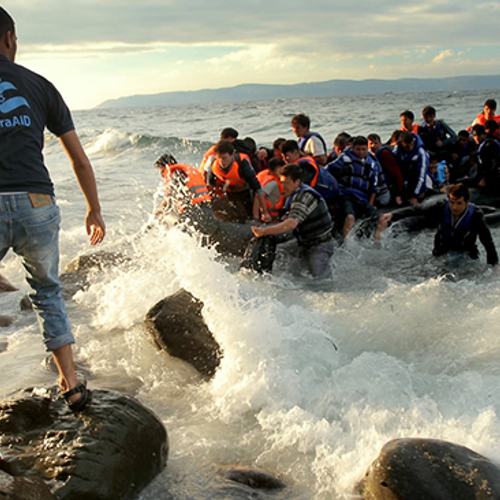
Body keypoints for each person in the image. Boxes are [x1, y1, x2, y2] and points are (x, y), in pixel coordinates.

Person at [0, 7, 105, 411]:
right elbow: (79, 158)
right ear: (10, 38)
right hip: (37, 205)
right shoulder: (40, 85)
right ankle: (72, 384)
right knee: (48, 294)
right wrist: (94, 210)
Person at [154, 154, 253, 255]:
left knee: (178, 231)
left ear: (167, 165)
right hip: (205, 209)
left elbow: (170, 199)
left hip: (194, 212)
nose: (162, 174)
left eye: (161, 170)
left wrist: (158, 213)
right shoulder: (187, 170)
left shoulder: (175, 173)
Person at [246, 163, 334, 278]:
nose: (283, 186)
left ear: (297, 182)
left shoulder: (304, 195)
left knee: (317, 279)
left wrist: (264, 231)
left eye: (287, 183)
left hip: (320, 245)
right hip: (302, 242)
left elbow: (292, 224)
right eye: (282, 182)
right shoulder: (292, 194)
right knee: (280, 255)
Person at [205, 140, 269, 223]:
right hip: (229, 192)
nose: (222, 162)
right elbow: (210, 187)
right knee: (233, 213)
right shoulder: (214, 165)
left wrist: (265, 213)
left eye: (224, 158)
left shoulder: (242, 164)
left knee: (246, 213)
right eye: (219, 158)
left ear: (232, 154)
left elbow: (258, 190)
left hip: (246, 192)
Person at [433, 184, 498, 265]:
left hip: (466, 251)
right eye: (452, 202)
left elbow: (487, 240)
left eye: (459, 203)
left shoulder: (475, 215)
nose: (454, 207)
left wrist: (494, 264)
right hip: (443, 248)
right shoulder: (441, 208)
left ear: (467, 202)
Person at [328, 136, 378, 239]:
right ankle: (345, 243)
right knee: (350, 216)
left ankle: (375, 240)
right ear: (353, 148)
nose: (361, 152)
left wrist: (370, 204)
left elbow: (374, 186)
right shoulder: (345, 158)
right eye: (358, 149)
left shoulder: (371, 163)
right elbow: (328, 169)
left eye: (363, 149)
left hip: (362, 198)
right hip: (346, 195)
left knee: (376, 217)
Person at [281, 139, 338, 205]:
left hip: (326, 193)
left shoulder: (305, 167)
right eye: (283, 157)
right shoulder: (306, 158)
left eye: (287, 156)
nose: (285, 159)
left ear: (296, 153)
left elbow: (300, 188)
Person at [368, 133, 404, 205]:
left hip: (392, 187)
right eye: (371, 143)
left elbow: (397, 174)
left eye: (376, 143)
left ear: (380, 144)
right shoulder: (372, 157)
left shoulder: (384, 154)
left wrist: (398, 194)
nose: (373, 146)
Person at [394, 131, 429, 205]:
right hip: (405, 179)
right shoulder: (397, 150)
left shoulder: (421, 152)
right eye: (406, 147)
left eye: (411, 145)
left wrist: (415, 196)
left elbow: (422, 175)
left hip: (419, 179)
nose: (410, 148)